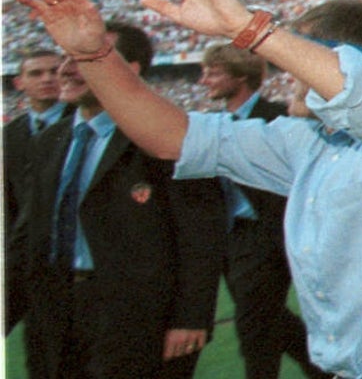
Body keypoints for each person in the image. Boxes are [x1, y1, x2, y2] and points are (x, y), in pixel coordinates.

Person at [18, 0, 362, 379]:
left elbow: (361, 93)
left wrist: (246, 26)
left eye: (297, 59)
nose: (286, 77)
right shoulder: (308, 142)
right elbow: (173, 137)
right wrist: (95, 55)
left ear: (342, 58)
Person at [5, 21, 225, 379]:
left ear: (130, 69)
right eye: (66, 57)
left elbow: (200, 234)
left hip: (134, 318)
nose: (65, 69)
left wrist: (191, 318)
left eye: (83, 58)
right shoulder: (50, 141)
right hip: (55, 313)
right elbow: (27, 235)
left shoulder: (168, 135)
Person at [197, 43, 327, 379]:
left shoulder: (278, 117)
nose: (203, 80)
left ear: (240, 76)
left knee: (253, 327)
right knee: (261, 316)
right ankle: (322, 370)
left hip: (267, 235)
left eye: (213, 72)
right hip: (229, 239)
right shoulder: (213, 123)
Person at [4, 49, 65, 331]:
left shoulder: (85, 122)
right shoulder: (9, 136)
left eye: (54, 71)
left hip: (76, 268)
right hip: (28, 266)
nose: (47, 78)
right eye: (36, 73)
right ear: (20, 83)